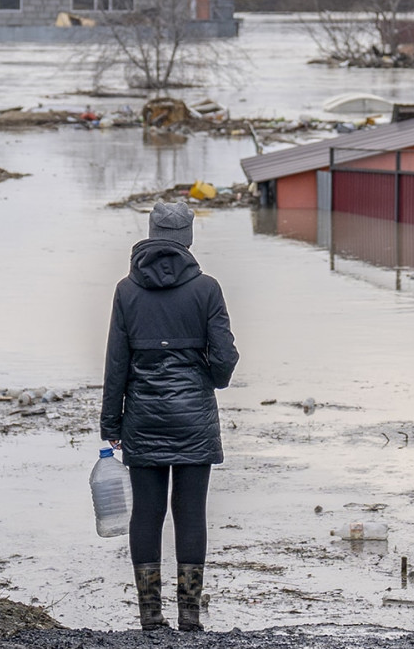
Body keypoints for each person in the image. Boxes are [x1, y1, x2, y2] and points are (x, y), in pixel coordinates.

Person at [100, 201, 239, 631]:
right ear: (189, 239)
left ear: (150, 232)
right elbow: (225, 356)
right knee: (191, 512)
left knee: (146, 513)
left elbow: (116, 362)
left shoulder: (126, 290)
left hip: (142, 417)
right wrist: (210, 379)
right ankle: (190, 617)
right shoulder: (207, 289)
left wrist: (111, 423)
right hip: (193, 417)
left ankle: (150, 618)